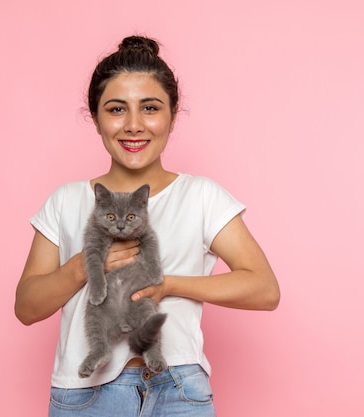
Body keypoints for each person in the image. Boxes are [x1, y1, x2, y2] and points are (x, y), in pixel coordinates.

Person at [15, 35, 280, 417]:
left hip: (177, 388)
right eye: (117, 109)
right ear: (95, 119)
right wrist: (83, 267)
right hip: (85, 396)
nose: (134, 125)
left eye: (150, 108)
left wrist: (168, 284)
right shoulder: (67, 200)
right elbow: (26, 307)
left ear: (172, 116)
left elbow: (264, 289)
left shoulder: (201, 196)